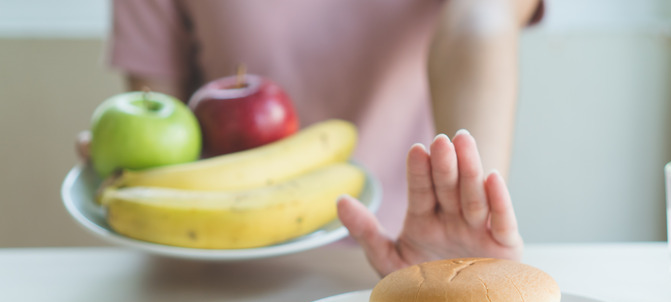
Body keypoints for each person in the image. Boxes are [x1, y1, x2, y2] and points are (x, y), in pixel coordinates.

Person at [95, 0, 542, 276]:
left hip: (409, 253)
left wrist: (469, 211)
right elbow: (158, 114)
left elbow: (482, 20)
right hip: (216, 263)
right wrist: (129, 166)